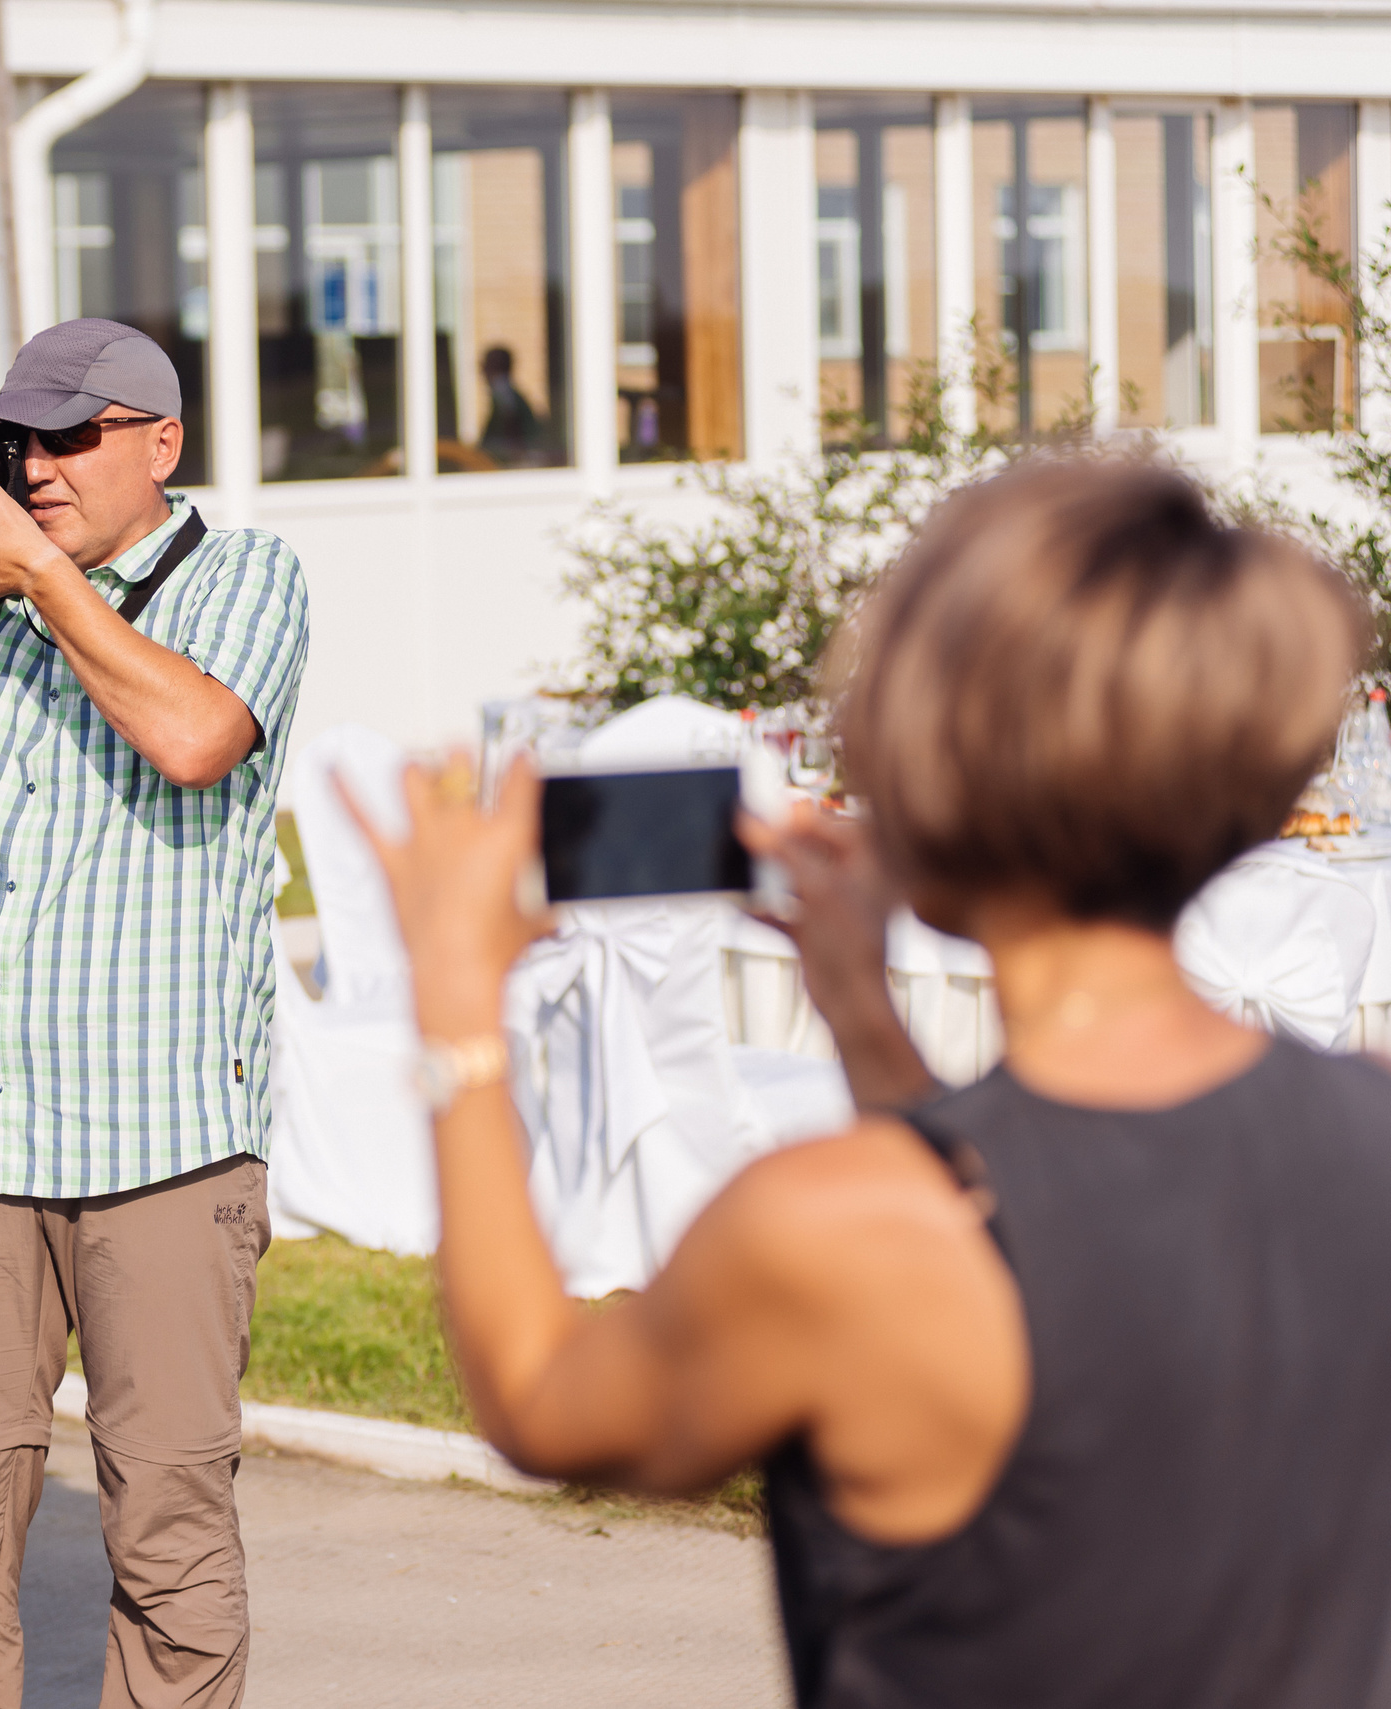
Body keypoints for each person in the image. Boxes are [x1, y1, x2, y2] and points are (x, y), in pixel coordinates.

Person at [355, 459, 1391, 1706]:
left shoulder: (835, 1226)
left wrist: (459, 1012)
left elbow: (538, 1400)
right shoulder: (1361, 1128)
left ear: (928, 764)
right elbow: (1081, 1252)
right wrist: (862, 1018)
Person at [0, 317, 310, 1708]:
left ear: (162, 442)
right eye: (19, 441)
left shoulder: (245, 577)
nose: (38, 468)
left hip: (166, 1144)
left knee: (165, 1541)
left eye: (73, 438)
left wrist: (36, 572)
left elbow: (197, 739)